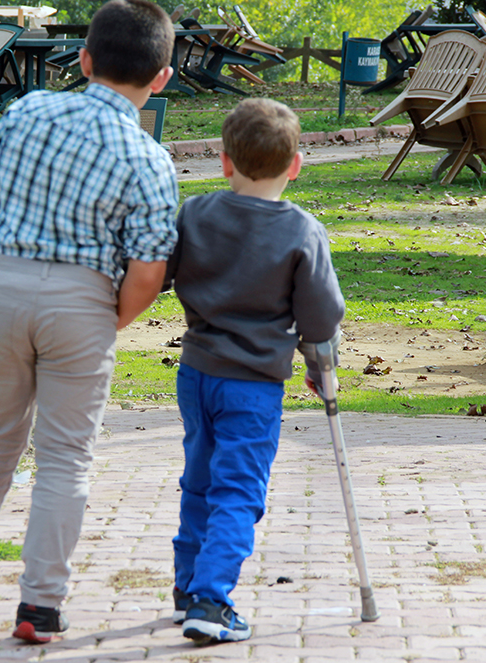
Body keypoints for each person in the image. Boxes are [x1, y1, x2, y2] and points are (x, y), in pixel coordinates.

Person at [0, 0, 179, 645]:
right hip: (87, 300)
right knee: (66, 457)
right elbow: (149, 273)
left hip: (9, 285)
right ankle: (39, 606)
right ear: (163, 77)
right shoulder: (149, 156)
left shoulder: (30, 110)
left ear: (84, 59)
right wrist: (109, 319)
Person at [162, 98, 346, 645]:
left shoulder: (196, 213)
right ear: (295, 165)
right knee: (238, 490)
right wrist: (320, 366)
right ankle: (212, 601)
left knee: (199, 477)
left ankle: (187, 587)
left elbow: (165, 272)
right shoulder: (301, 231)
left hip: (196, 373)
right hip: (254, 384)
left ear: (224, 162)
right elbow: (320, 317)